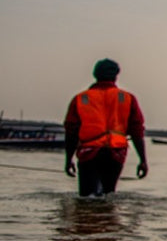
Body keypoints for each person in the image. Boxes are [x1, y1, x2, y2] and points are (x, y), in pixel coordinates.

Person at [63, 58, 148, 196]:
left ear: (95, 74)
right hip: (116, 154)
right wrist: (143, 160)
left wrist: (68, 160)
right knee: (108, 194)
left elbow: (71, 132)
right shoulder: (127, 98)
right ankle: (107, 216)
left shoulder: (81, 98)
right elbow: (137, 131)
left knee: (87, 197)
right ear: (115, 76)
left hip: (89, 153)